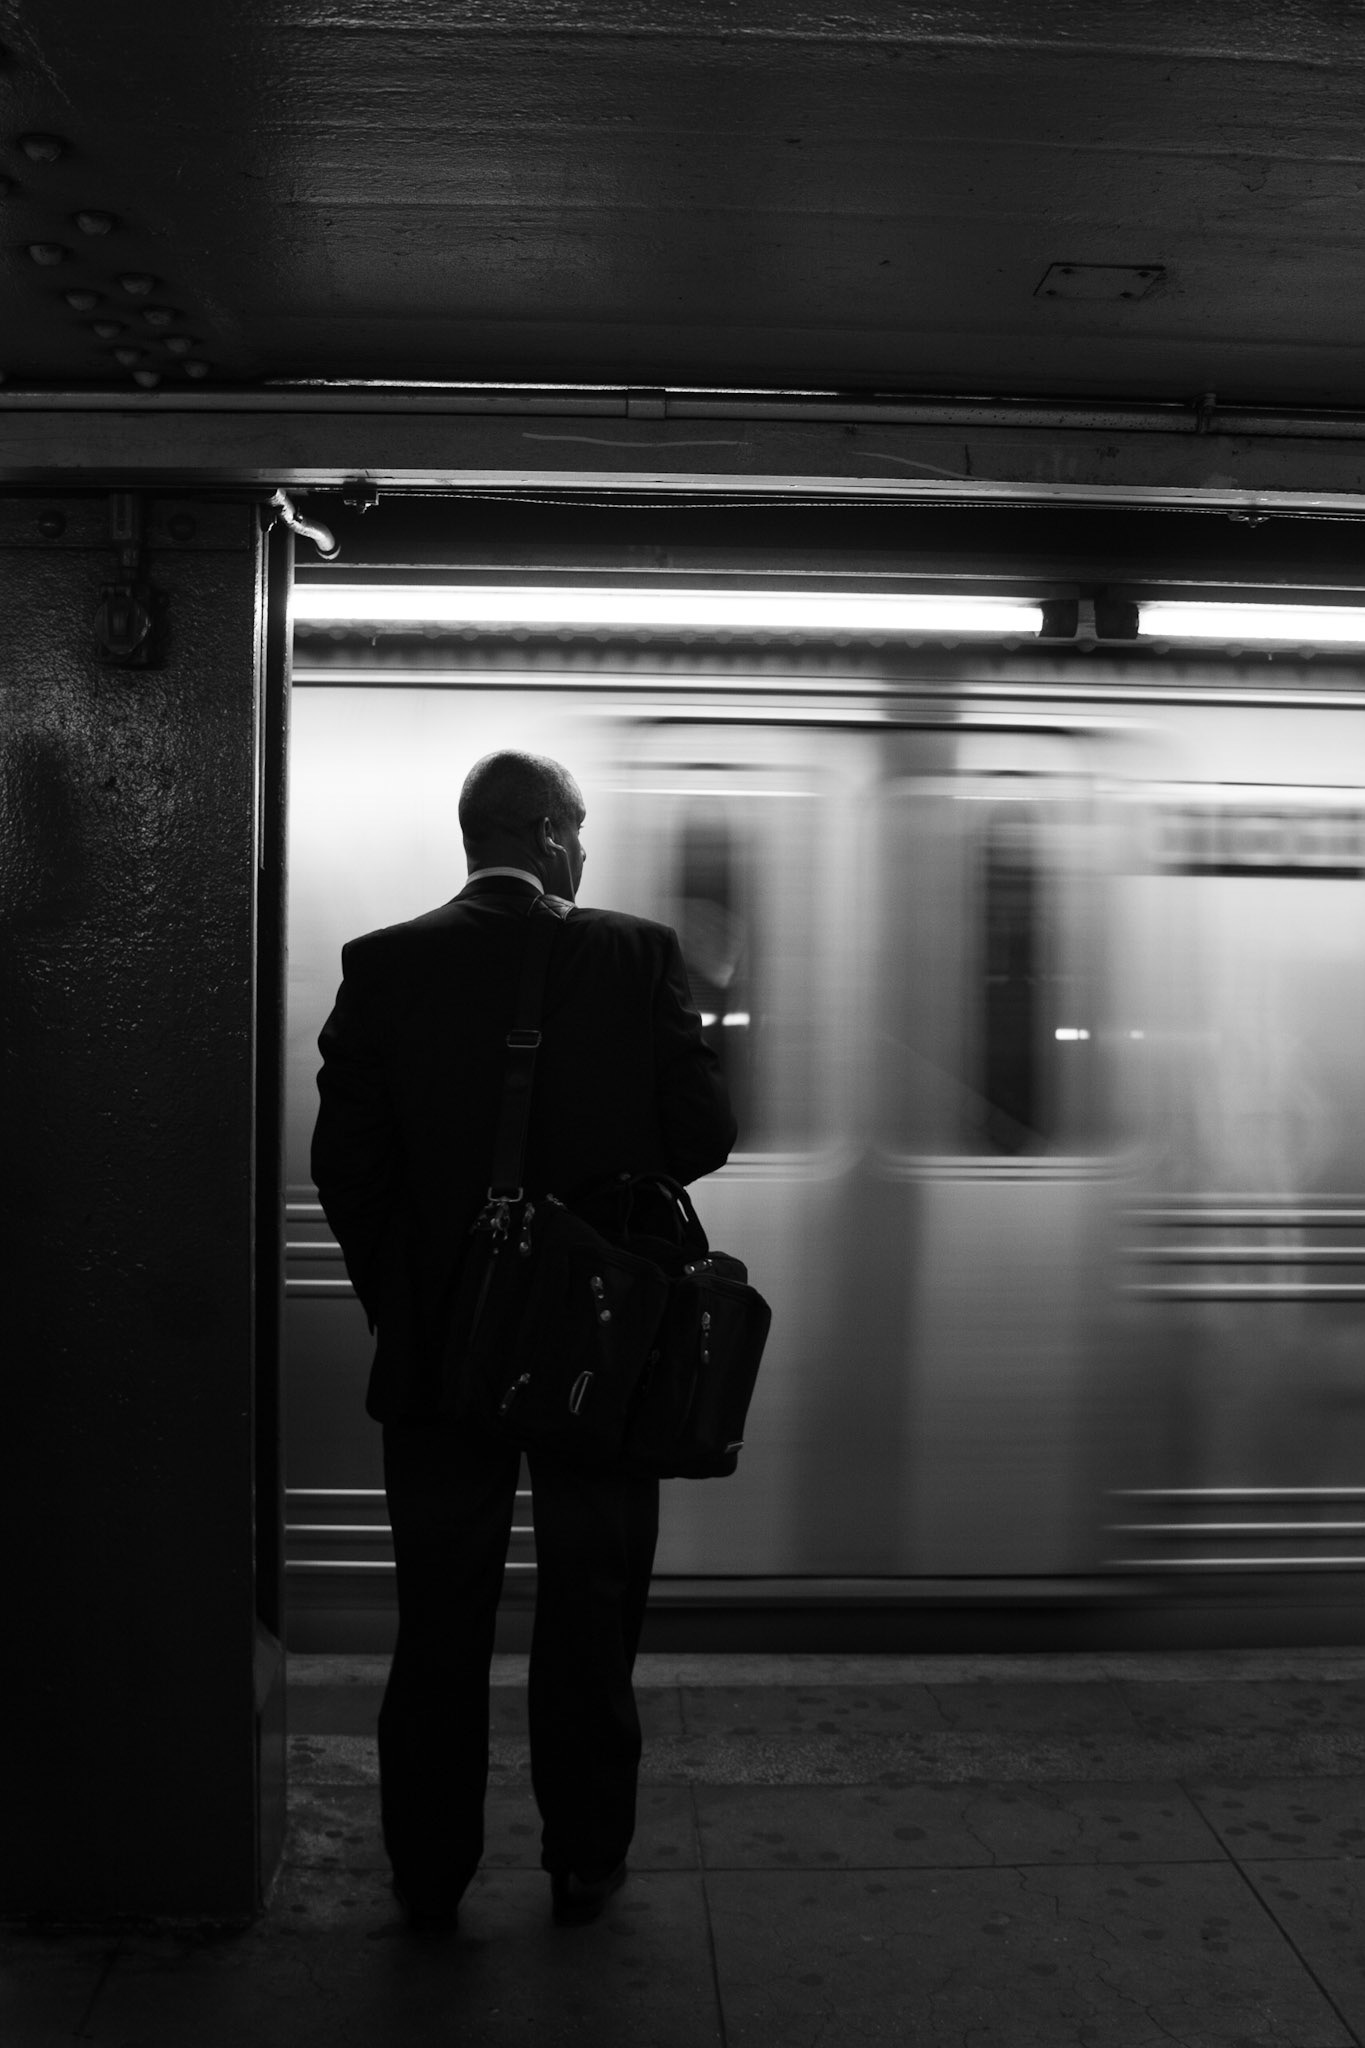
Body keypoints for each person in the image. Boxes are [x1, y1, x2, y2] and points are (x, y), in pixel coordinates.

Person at [311, 749, 736, 1934]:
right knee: (592, 1603)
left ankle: (431, 1869)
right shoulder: (636, 953)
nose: (585, 850)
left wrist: (411, 1301)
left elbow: (345, 1165)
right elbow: (704, 1134)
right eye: (581, 830)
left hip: (442, 1351)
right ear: (551, 834)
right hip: (600, 1349)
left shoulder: (384, 963)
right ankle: (584, 1857)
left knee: (439, 1617)